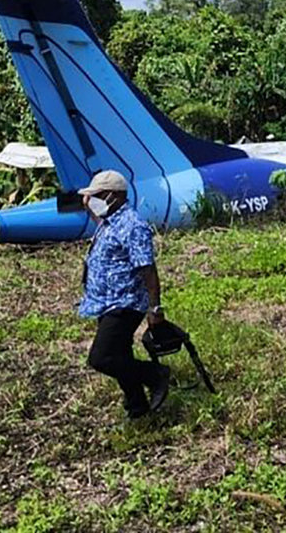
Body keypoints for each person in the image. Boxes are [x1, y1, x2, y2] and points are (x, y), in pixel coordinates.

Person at [78, 170, 171, 418]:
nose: (91, 200)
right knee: (120, 354)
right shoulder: (109, 221)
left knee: (102, 358)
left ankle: (155, 375)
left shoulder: (133, 226)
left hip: (125, 303)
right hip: (105, 301)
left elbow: (148, 270)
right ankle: (137, 408)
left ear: (114, 196)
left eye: (96, 195)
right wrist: (89, 206)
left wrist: (155, 308)